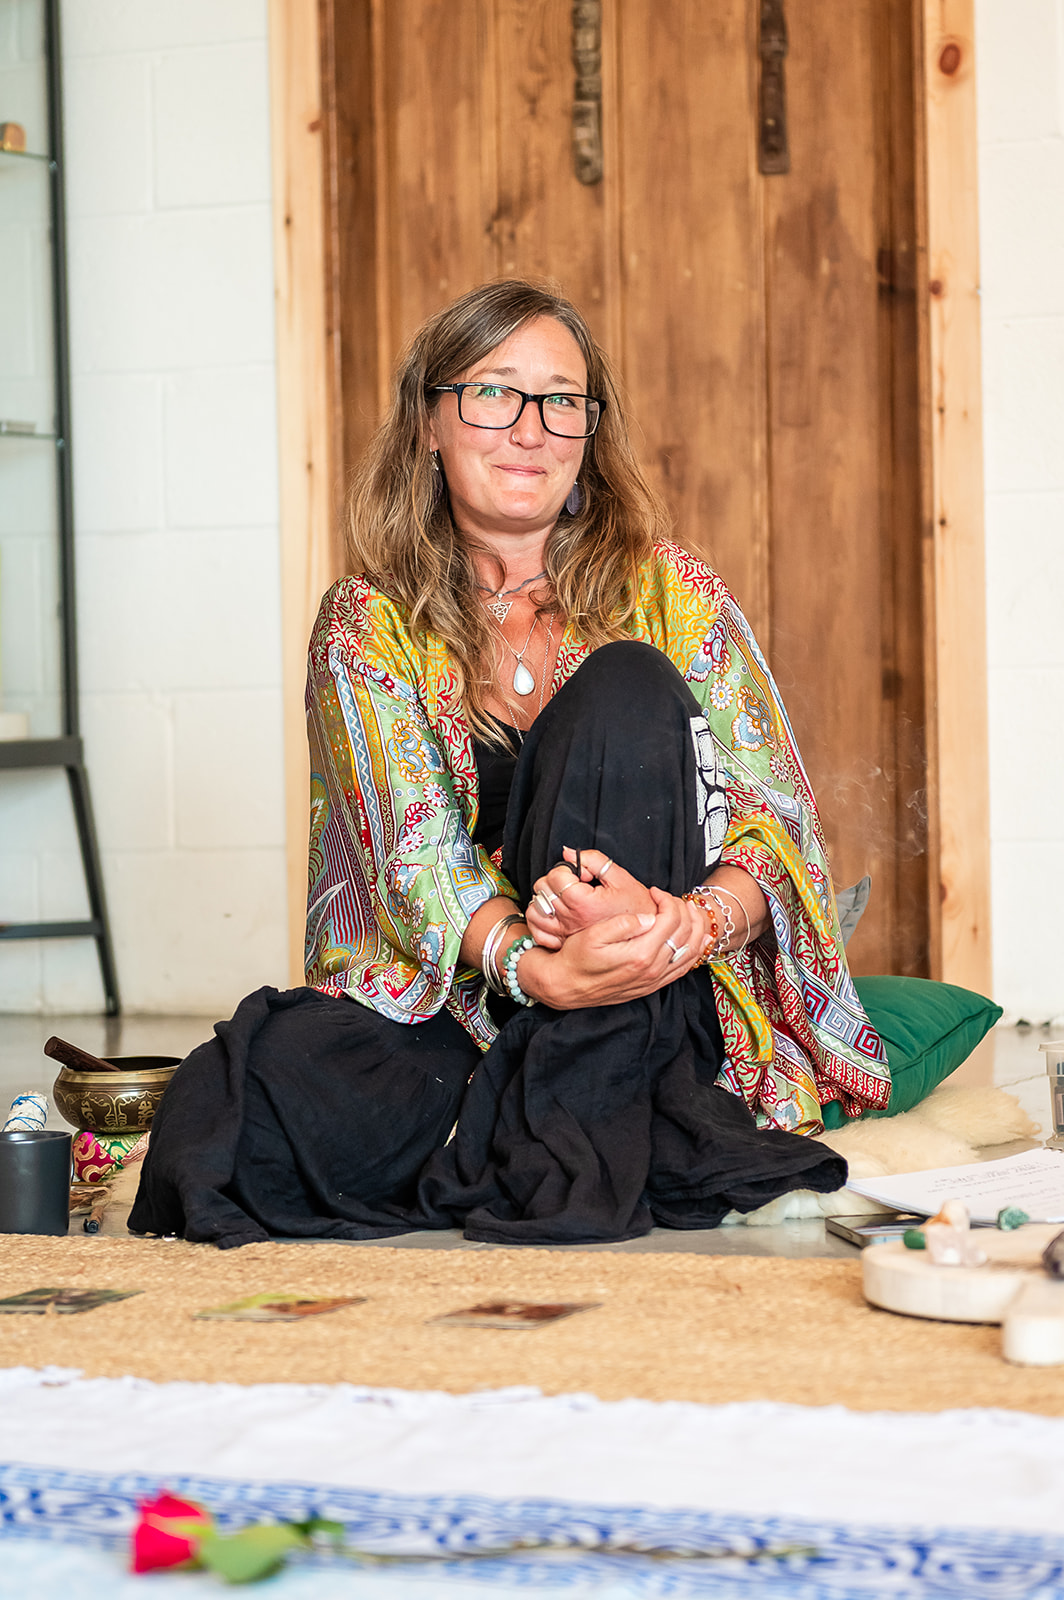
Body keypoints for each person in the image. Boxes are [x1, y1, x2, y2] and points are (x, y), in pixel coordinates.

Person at [130, 279, 890, 1250]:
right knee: (229, 1109)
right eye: (493, 393)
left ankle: (567, 1118)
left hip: (657, 988)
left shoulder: (670, 589)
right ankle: (592, 1126)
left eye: (560, 399)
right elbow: (413, 860)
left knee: (624, 685)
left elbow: (770, 817)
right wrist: (539, 973)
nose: (529, 428)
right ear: (429, 424)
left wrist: (683, 926)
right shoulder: (367, 624)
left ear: (586, 431)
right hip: (475, 999)